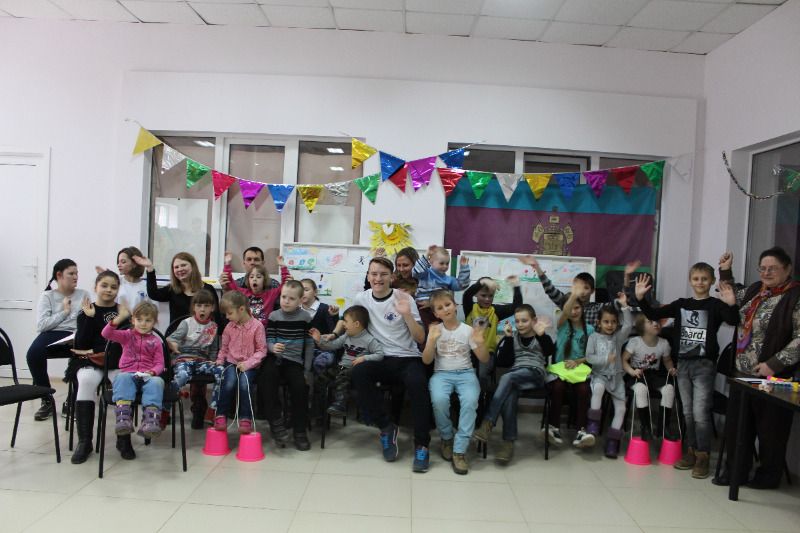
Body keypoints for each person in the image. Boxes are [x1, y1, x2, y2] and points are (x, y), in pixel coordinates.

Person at [635, 262, 738, 479]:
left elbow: (733, 320)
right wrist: (641, 298)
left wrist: (731, 304)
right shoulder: (681, 304)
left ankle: (703, 455)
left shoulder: (715, 305)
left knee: (700, 413)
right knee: (687, 412)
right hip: (683, 364)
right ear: (690, 281)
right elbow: (653, 313)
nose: (700, 282)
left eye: (704, 279)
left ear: (711, 281)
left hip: (704, 366)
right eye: (696, 279)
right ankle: (691, 451)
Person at [714, 248, 800, 489]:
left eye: (772, 268)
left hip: (773, 376)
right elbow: (732, 295)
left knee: (770, 429)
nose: (766, 273)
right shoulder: (755, 291)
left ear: (788, 269)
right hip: (741, 373)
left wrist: (773, 364)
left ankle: (768, 477)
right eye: (762, 268)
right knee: (737, 426)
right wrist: (725, 271)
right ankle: (735, 473)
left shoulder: (795, 296)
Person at [347, 257, 431, 472]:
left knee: (419, 385)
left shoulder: (404, 298)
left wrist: (407, 315)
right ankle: (386, 427)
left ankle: (422, 445)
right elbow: (349, 324)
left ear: (391, 277)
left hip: (407, 357)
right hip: (380, 357)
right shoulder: (361, 299)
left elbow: (420, 338)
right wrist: (333, 334)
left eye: (383, 274)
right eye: (374, 274)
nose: (378, 278)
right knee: (358, 372)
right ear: (368, 276)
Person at [472, 304, 553, 464]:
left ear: (534, 320)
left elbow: (550, 351)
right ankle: (508, 443)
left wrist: (542, 335)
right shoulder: (513, 337)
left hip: (535, 374)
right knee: (510, 394)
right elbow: (503, 362)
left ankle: (488, 422)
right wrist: (508, 338)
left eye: (524, 320)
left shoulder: (540, 335)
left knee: (506, 378)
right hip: (516, 376)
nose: (520, 324)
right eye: (517, 321)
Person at [423, 290, 488, 474]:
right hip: (441, 374)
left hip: (466, 374)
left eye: (448, 304)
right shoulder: (435, 330)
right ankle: (446, 438)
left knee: (470, 402)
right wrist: (431, 341)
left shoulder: (468, 330)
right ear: (436, 313)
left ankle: (460, 450)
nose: (445, 309)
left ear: (455, 306)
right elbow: (427, 360)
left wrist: (480, 342)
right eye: (440, 308)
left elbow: (484, 359)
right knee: (439, 400)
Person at [68, 270, 121, 464]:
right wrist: (89, 318)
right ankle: (85, 442)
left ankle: (123, 440)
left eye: (113, 287)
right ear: (95, 287)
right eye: (104, 285)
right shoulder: (86, 311)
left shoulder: (122, 311)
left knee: (123, 383)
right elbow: (82, 344)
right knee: (86, 380)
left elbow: (124, 342)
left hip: (116, 361)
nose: (109, 290)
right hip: (90, 360)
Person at [27, 259, 90, 421]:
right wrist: (65, 312)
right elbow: (42, 325)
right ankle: (46, 399)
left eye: (77, 273)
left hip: (76, 334)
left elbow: (86, 320)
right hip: (52, 333)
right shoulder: (47, 296)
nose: (76, 277)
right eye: (71, 273)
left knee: (83, 355)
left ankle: (71, 401)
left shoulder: (83, 294)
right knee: (33, 353)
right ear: (59, 275)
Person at [102, 302, 165, 454]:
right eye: (139, 319)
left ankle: (150, 420)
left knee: (157, 381)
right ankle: (123, 419)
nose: (143, 324)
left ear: (154, 322)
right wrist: (118, 319)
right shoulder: (127, 336)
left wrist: (153, 372)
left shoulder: (156, 341)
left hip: (147, 376)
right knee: (121, 377)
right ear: (133, 320)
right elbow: (106, 334)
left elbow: (160, 364)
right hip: (128, 374)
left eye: (148, 320)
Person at [261, 280, 315, 450]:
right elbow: (268, 340)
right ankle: (276, 421)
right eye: (284, 297)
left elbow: (309, 345)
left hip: (294, 362)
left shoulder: (305, 318)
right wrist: (272, 347)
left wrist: (306, 370)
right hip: (275, 358)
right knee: (266, 379)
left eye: (291, 298)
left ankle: (300, 431)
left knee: (300, 388)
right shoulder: (274, 316)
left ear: (300, 300)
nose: (286, 301)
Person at [581, 297, 633, 459]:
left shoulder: (618, 338)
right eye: (606, 322)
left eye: (613, 322)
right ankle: (593, 424)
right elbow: (589, 357)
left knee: (621, 409)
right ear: (599, 323)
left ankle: (612, 442)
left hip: (616, 379)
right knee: (598, 388)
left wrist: (625, 307)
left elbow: (628, 326)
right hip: (600, 375)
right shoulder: (593, 338)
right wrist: (605, 359)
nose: (610, 325)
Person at [310, 305, 384, 416]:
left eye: (345, 321)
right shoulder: (346, 336)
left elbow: (380, 354)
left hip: (353, 370)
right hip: (340, 367)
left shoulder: (369, 340)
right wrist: (319, 340)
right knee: (320, 379)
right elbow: (332, 345)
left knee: (342, 378)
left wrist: (364, 358)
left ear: (356, 324)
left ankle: (340, 405)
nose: (343, 324)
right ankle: (318, 408)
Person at [166, 289, 222, 429]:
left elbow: (214, 349)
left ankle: (212, 410)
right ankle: (165, 408)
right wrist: (174, 345)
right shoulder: (186, 323)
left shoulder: (214, 327)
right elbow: (171, 339)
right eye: (199, 305)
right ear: (194, 308)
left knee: (222, 371)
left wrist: (213, 361)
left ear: (212, 308)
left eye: (206, 306)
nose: (202, 309)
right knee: (182, 375)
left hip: (201, 362)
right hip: (184, 359)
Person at [214, 291, 267, 435]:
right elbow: (224, 348)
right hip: (231, 362)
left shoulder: (257, 326)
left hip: (249, 364)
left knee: (245, 384)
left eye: (230, 313)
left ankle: (245, 418)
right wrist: (219, 361)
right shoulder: (229, 327)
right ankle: (221, 415)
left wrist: (248, 364)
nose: (227, 317)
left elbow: (262, 350)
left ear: (242, 309)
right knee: (229, 383)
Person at [548, 286, 594, 447]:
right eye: (570, 308)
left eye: (577, 307)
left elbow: (592, 355)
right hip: (560, 372)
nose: (574, 312)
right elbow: (566, 312)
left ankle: (581, 431)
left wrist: (578, 361)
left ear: (582, 308)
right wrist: (574, 295)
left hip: (579, 372)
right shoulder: (562, 325)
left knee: (584, 390)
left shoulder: (590, 330)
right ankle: (553, 428)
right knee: (557, 387)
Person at [462, 272, 523, 390]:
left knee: (482, 375)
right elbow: (467, 294)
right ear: (476, 294)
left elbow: (516, 306)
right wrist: (482, 283)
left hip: (487, 352)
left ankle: (483, 396)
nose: (487, 299)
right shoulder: (470, 307)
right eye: (483, 295)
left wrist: (516, 287)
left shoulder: (496, 311)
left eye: (491, 296)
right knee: (466, 375)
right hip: (468, 350)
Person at [621, 314, 677, 441]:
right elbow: (623, 360)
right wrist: (631, 371)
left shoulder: (664, 343)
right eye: (650, 321)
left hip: (654, 375)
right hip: (637, 374)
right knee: (641, 389)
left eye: (657, 321)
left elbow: (667, 361)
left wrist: (671, 369)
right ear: (641, 326)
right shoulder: (635, 342)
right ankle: (645, 427)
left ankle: (663, 428)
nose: (656, 324)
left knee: (669, 389)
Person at [528, 256, 621, 329]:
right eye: (579, 288)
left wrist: (626, 285)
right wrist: (538, 269)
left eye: (586, 288)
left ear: (592, 291)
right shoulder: (568, 304)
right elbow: (550, 290)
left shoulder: (597, 308)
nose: (582, 292)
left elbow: (617, 305)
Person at [136, 252, 220, 325]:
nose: (180, 269)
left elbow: (216, 316)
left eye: (183, 265)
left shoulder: (208, 289)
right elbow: (153, 294)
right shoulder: (172, 289)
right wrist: (149, 267)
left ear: (193, 266)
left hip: (202, 336)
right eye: (176, 267)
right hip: (176, 336)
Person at [222, 251, 287, 327]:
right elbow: (229, 281)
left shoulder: (271, 294)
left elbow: (284, 285)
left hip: (262, 330)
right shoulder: (243, 293)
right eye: (251, 277)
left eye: (258, 277)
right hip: (246, 329)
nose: (254, 279)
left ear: (264, 280)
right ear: (248, 280)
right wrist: (227, 264)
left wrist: (283, 266)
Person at [412, 245, 470, 328]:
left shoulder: (448, 279)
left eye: (447, 263)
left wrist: (464, 268)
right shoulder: (426, 274)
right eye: (441, 263)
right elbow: (416, 272)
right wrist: (426, 255)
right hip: (424, 309)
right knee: (427, 330)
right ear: (431, 262)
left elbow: (461, 285)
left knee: (441, 329)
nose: (445, 266)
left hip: (440, 309)